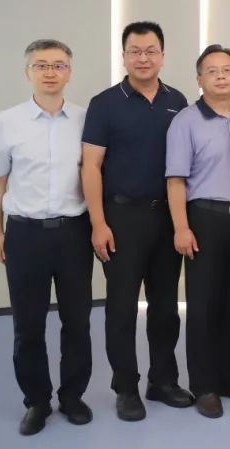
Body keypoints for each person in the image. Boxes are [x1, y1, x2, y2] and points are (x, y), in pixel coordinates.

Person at [0, 39, 94, 435]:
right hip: (25, 234)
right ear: (27, 72)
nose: (50, 72)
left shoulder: (86, 120)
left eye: (58, 65)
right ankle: (37, 400)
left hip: (74, 233)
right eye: (41, 65)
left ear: (69, 72)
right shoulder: (6, 122)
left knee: (77, 321)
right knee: (28, 325)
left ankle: (72, 395)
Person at [82, 21, 191, 421]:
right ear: (124, 56)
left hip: (167, 217)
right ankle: (125, 387)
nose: (143, 58)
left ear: (162, 55)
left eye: (150, 51)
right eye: (135, 51)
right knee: (122, 307)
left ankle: (162, 381)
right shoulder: (105, 103)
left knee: (165, 306)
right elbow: (90, 167)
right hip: (122, 217)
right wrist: (98, 223)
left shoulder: (178, 100)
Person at [165, 45, 230, 419]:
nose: (221, 76)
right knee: (203, 305)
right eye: (212, 71)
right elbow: (175, 180)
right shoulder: (186, 121)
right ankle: (204, 385)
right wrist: (181, 227)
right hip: (203, 219)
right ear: (199, 79)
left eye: (228, 69)